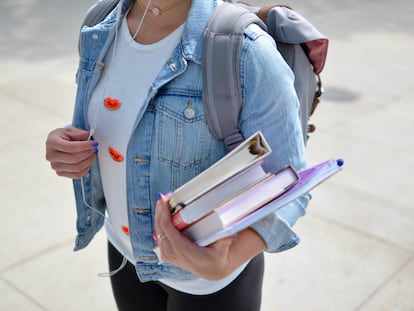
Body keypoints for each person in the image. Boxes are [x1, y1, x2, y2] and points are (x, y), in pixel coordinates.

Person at [45, 0, 310, 310]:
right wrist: (67, 144)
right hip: (124, 252)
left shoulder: (247, 51)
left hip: (210, 285)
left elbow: (290, 183)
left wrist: (226, 260)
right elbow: (117, 117)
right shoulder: (100, 23)